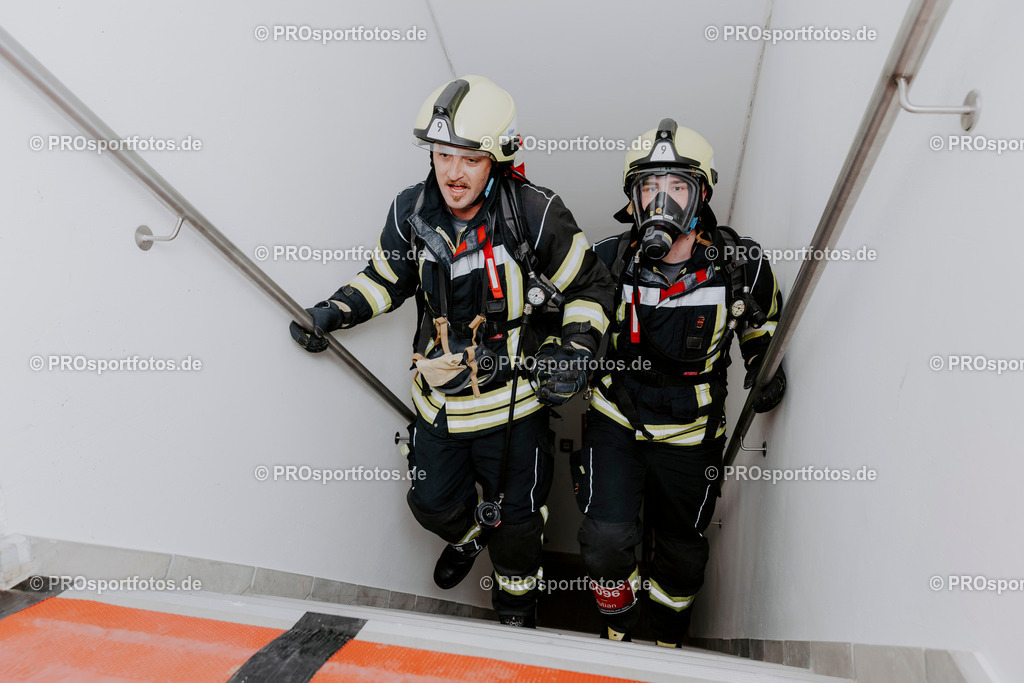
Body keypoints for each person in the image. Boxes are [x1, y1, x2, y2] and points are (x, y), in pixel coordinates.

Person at [289, 75, 614, 627]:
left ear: (499, 157)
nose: (452, 172)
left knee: (519, 527)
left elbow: (592, 287)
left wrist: (575, 349)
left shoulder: (534, 213)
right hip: (441, 405)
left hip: (516, 407)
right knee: (430, 504)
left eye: (467, 156)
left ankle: (518, 615)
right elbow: (384, 280)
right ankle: (469, 534)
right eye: (441, 155)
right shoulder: (408, 212)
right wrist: (335, 311)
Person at [575, 118, 786, 646]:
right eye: (649, 187)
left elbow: (762, 328)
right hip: (616, 418)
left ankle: (668, 635)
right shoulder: (607, 259)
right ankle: (618, 624)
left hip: (692, 435)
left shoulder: (741, 264)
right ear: (634, 199)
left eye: (676, 187)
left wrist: (765, 367)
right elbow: (575, 320)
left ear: (702, 193)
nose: (662, 201)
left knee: (682, 550)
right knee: (603, 542)